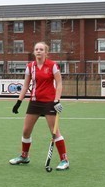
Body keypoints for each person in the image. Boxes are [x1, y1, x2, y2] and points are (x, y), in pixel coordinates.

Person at [9, 41, 69, 170]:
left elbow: (59, 84)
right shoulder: (30, 66)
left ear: (46, 52)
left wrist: (57, 100)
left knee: (54, 132)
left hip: (49, 102)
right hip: (35, 101)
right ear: (34, 52)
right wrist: (19, 102)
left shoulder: (52, 65)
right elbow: (25, 85)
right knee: (26, 131)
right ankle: (24, 156)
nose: (38, 51)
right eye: (36, 49)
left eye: (41, 49)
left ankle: (64, 160)